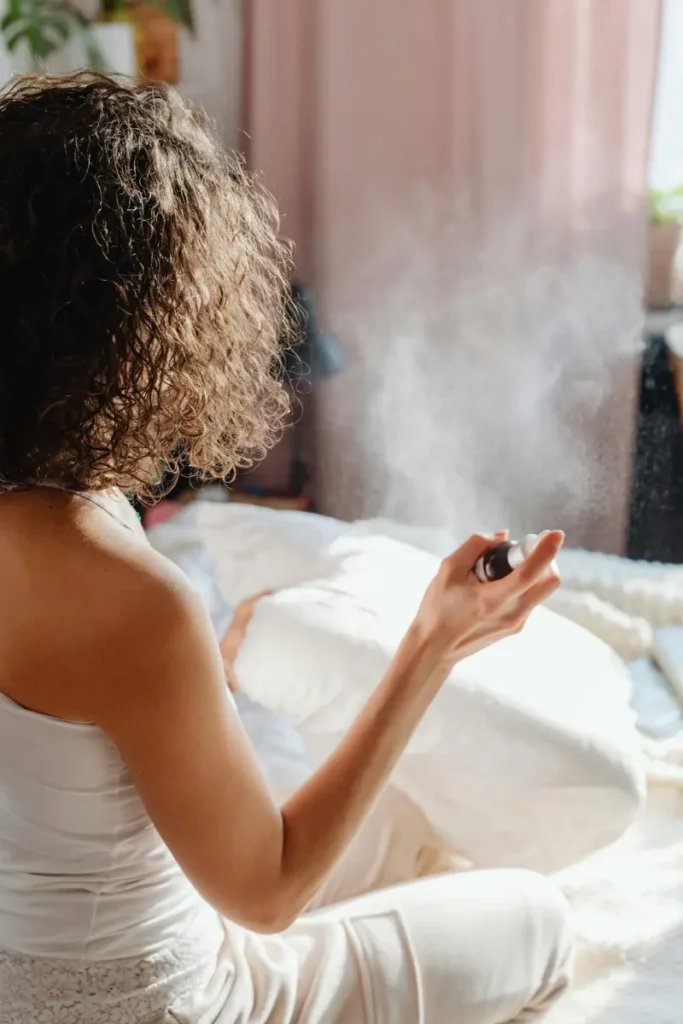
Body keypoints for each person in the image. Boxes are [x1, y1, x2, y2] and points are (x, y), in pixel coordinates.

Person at [0, 73, 572, 1024]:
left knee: (386, 830)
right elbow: (267, 896)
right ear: (149, 324)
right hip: (168, 1001)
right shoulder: (126, 597)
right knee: (537, 915)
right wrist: (432, 644)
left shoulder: (81, 523)